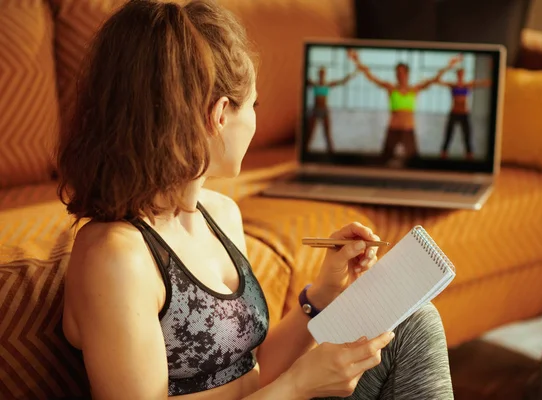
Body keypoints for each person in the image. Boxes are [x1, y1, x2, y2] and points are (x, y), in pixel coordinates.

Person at [56, 1, 454, 399]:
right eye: (255, 104)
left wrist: (324, 294)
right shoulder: (116, 258)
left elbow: (252, 371)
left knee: (414, 323)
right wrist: (299, 385)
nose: (254, 120)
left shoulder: (219, 214)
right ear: (220, 114)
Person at [348, 49, 462, 165]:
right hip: (393, 128)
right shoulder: (391, 88)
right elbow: (370, 77)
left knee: (414, 162)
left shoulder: (414, 89)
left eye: (402, 73)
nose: (400, 75)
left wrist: (449, 66)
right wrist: (357, 61)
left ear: (407, 74)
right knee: (384, 161)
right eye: (397, 73)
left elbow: (434, 79)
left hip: (408, 129)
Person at [437, 66, 491, 160]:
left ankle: (469, 153)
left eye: (462, 73)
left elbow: (484, 83)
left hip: (464, 113)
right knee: (449, 134)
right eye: (459, 73)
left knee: (467, 134)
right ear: (457, 75)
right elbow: (438, 80)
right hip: (454, 112)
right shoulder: (453, 85)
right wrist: (448, 67)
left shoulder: (467, 85)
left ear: (464, 75)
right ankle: (444, 152)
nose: (460, 75)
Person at [304, 66, 358, 155]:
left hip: (324, 110)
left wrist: (352, 75)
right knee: (310, 133)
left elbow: (342, 82)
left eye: (323, 73)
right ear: (318, 74)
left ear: (324, 74)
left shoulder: (327, 85)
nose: (321, 74)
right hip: (315, 110)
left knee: (327, 134)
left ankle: (331, 153)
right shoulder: (314, 84)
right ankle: (305, 152)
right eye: (320, 73)